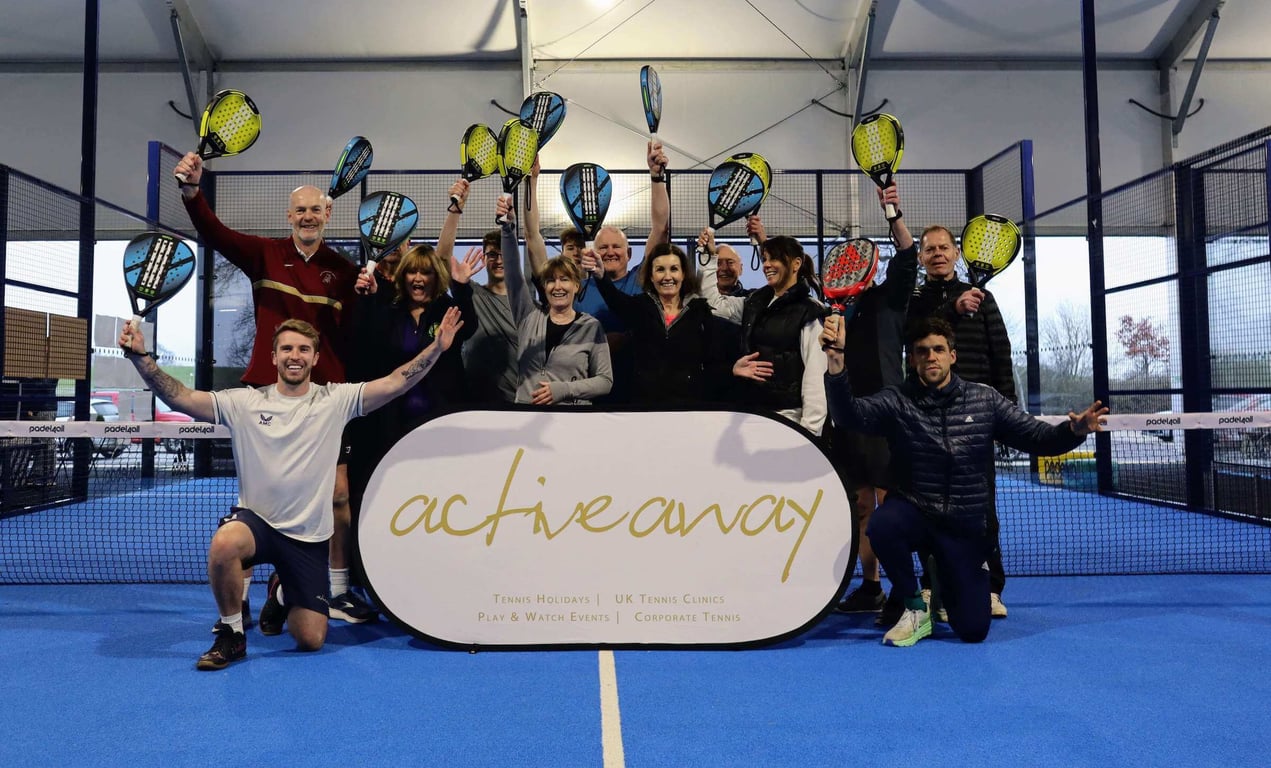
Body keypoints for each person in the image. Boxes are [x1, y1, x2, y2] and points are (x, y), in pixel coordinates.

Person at [117, 309, 464, 668]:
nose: (294, 356)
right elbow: (182, 398)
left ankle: (281, 593)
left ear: (315, 357)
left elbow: (396, 382)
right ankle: (232, 633)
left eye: (302, 349)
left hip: (309, 540)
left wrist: (437, 348)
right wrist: (141, 359)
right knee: (224, 543)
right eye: (286, 349)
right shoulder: (244, 403)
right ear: (274, 357)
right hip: (258, 526)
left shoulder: (336, 400)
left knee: (310, 639)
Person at [174, 153, 374, 624]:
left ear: (328, 216)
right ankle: (240, 598)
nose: (308, 217)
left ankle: (333, 588)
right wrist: (191, 193)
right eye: (300, 210)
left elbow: (353, 337)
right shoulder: (263, 253)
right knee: (258, 500)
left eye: (316, 210)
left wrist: (369, 296)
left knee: (339, 495)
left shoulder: (345, 272)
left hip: (324, 400)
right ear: (290, 217)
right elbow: (215, 233)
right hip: (265, 397)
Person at [823, 315, 1106, 646]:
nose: (931, 356)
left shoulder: (984, 400)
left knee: (973, 630)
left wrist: (1074, 431)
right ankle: (915, 605)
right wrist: (836, 362)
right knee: (881, 526)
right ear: (912, 359)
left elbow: (1036, 437)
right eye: (923, 351)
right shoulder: (897, 400)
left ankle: (942, 580)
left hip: (963, 525)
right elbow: (849, 415)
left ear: (952, 356)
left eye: (939, 350)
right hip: (915, 510)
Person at [906, 221, 1017, 620]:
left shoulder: (983, 299)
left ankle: (989, 588)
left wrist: (1008, 411)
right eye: (929, 249)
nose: (936, 254)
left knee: (981, 505)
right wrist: (951, 309)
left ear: (956, 253)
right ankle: (933, 584)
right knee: (926, 504)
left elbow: (1001, 353)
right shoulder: (914, 297)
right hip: (925, 417)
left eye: (943, 247)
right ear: (920, 258)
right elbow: (911, 333)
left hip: (976, 418)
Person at [829, 182, 919, 617]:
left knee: (891, 507)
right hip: (848, 417)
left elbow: (907, 255)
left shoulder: (892, 296)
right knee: (862, 505)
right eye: (843, 263)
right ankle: (871, 586)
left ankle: (907, 591)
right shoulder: (836, 307)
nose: (849, 267)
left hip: (888, 418)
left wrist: (892, 212)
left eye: (856, 261)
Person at [566, 141, 671, 403]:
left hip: (637, 388)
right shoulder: (578, 286)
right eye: (603, 247)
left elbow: (660, 228)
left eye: (617, 247)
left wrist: (656, 178)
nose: (610, 252)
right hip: (587, 388)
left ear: (629, 254)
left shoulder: (641, 278)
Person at [699, 228, 828, 436]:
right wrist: (708, 257)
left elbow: (815, 378)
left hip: (789, 420)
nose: (767, 264)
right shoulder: (755, 303)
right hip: (753, 415)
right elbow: (713, 303)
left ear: (796, 264)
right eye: (765, 259)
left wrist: (810, 433)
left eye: (774, 258)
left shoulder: (809, 312)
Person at [498, 196, 613, 405]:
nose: (557, 286)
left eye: (564, 279)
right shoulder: (528, 318)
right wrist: (507, 229)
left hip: (573, 422)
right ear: (544, 287)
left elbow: (605, 381)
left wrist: (564, 389)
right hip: (527, 419)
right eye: (551, 280)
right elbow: (513, 274)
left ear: (576, 286)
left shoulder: (591, 326)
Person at [581, 242, 715, 405]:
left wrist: (733, 369)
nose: (667, 277)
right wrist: (601, 276)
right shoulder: (640, 307)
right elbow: (615, 299)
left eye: (674, 269)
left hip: (690, 407)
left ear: (683, 274)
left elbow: (713, 358)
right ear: (651, 276)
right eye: (660, 270)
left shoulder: (700, 311)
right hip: (644, 407)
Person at [438, 180, 519, 405]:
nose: (499, 260)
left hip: (519, 403)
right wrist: (456, 209)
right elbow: (442, 260)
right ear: (484, 258)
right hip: (474, 404)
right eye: (492, 254)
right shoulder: (470, 293)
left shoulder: (526, 300)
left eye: (503, 253)